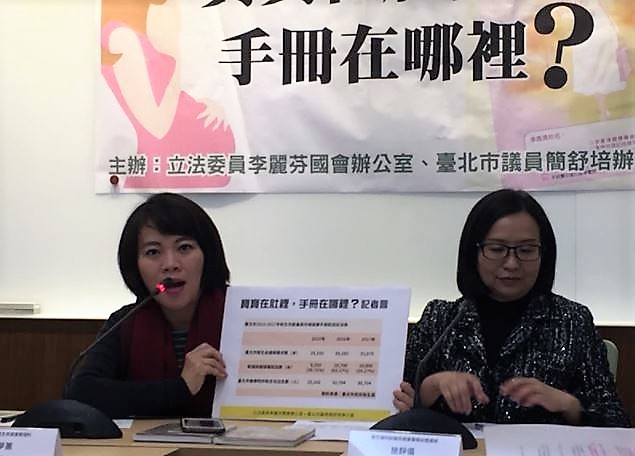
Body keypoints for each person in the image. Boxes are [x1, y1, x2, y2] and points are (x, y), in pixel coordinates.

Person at [393, 189, 630, 427]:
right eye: (497, 249)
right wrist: (429, 389)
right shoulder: (440, 319)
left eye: (526, 250)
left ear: (544, 254)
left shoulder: (573, 321)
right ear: (473, 253)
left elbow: (616, 421)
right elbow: (395, 403)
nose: (512, 263)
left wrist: (569, 406)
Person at [65, 193, 230, 418]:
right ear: (135, 265)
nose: (170, 264)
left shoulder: (240, 315)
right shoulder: (126, 323)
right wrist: (180, 388)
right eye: (153, 252)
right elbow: (82, 392)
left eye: (184, 248)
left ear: (207, 255)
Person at [101, 0, 235, 189]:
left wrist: (208, 105)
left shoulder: (151, 46)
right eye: (170, 10)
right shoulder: (124, 37)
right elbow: (158, 126)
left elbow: (163, 96)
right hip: (162, 162)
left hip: (194, 164)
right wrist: (174, 54)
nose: (175, 20)